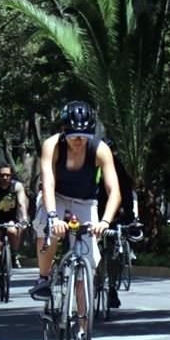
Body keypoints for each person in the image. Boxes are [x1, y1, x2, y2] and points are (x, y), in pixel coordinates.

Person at [29, 100, 122, 322]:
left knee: (86, 265)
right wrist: (53, 217)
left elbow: (114, 191)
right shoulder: (52, 146)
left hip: (85, 201)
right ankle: (43, 278)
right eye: (73, 136)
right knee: (45, 227)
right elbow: (48, 183)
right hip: (56, 197)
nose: (79, 141)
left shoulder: (100, 150)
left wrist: (105, 222)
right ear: (64, 132)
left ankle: (82, 327)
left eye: (84, 137)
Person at [96, 148, 139, 309]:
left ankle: (112, 286)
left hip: (113, 218)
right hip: (94, 215)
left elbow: (126, 193)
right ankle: (91, 278)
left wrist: (130, 219)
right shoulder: (92, 167)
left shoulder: (119, 170)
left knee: (115, 252)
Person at [0, 163, 28, 295]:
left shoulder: (17, 187)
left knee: (13, 231)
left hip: (11, 218)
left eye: (8, 175)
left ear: (11, 175)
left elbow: (21, 204)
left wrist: (24, 218)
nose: (5, 177)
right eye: (2, 175)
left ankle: (13, 254)